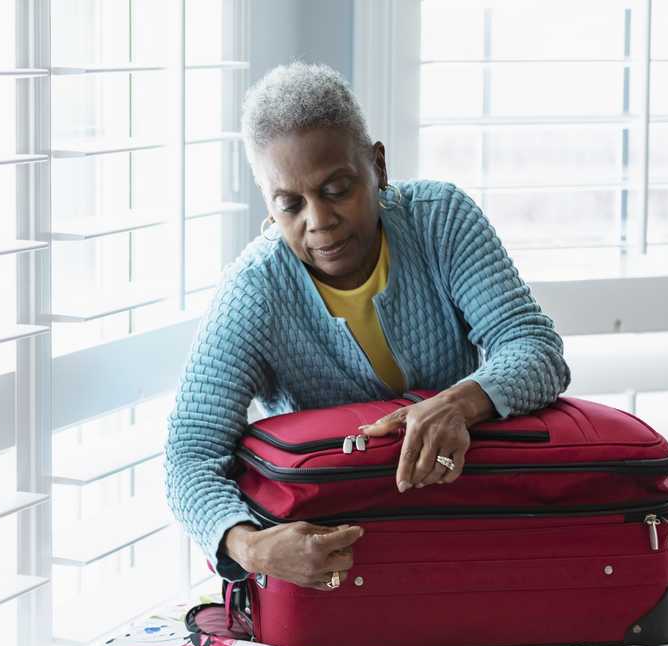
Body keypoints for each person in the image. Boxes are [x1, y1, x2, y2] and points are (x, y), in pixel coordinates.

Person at [163, 63, 570, 592]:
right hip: (340, 565)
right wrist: (253, 547)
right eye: (290, 204)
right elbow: (189, 454)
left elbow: (536, 348)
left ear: (377, 164)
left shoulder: (440, 220)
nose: (319, 220)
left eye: (337, 188)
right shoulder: (253, 292)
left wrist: (458, 403)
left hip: (471, 525)